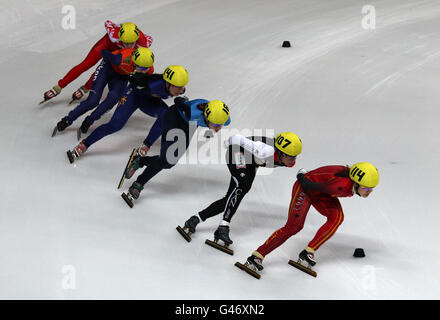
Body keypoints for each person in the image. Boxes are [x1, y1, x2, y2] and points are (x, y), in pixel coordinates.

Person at [243, 162, 380, 274]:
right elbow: (309, 185)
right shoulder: (340, 186)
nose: (369, 192)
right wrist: (301, 174)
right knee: (294, 227)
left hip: (322, 192)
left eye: (372, 189)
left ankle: (308, 252)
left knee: (337, 218)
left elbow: (322, 187)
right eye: (367, 189)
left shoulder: (349, 182)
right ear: (356, 183)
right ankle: (257, 256)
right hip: (305, 189)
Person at [179, 132, 303, 247]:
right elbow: (236, 138)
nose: (293, 161)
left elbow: (260, 162)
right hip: (237, 151)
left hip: (251, 162)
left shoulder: (286, 161)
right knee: (243, 186)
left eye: (295, 157)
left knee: (231, 199)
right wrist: (225, 144)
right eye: (291, 157)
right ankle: (223, 227)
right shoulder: (264, 150)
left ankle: (195, 219)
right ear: (281, 152)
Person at [66, 65, 188, 163]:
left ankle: (146, 145)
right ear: (167, 83)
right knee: (115, 125)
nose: (181, 90)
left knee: (165, 115)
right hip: (132, 96)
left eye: (182, 87)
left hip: (147, 100)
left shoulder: (176, 87)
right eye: (178, 88)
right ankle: (85, 144)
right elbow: (134, 80)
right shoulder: (153, 84)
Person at [122, 98, 231, 206]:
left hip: (190, 125)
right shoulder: (193, 112)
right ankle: (139, 183)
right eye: (216, 125)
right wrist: (182, 101)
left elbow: (216, 123)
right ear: (207, 118)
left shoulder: (222, 117)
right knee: (165, 159)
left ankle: (141, 161)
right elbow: (177, 101)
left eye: (221, 125)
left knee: (170, 163)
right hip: (174, 118)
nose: (218, 129)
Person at [42, 21, 152, 104]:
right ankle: (58, 87)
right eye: (126, 42)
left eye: (131, 43)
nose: (129, 45)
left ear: (136, 40)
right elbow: (108, 23)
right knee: (86, 64)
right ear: (120, 38)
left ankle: (85, 88)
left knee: (103, 69)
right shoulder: (114, 35)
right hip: (107, 44)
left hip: (118, 52)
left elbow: (146, 64)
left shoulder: (143, 43)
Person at [55, 46, 155, 135]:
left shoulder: (149, 70)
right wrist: (112, 57)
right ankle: (67, 120)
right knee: (92, 101)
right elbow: (103, 52)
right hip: (107, 68)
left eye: (146, 68)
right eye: (141, 68)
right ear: (134, 62)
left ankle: (89, 120)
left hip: (121, 77)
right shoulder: (122, 58)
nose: (143, 71)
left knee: (113, 98)